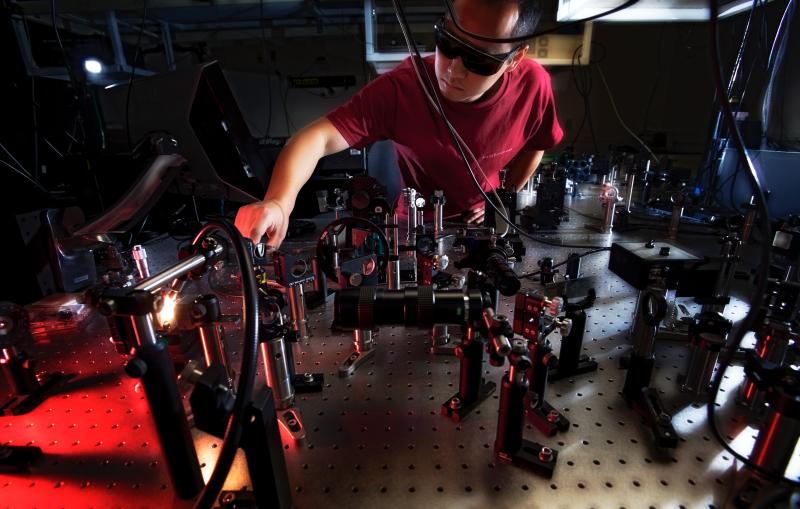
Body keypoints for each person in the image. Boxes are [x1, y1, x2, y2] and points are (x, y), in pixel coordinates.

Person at [235, 0, 563, 246]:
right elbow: (316, 138)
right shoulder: (402, 88)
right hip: (415, 227)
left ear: (514, 59)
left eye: (479, 59)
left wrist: (501, 200)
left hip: (483, 227)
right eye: (448, 43)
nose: (454, 70)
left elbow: (539, 143)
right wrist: (279, 201)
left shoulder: (533, 85)